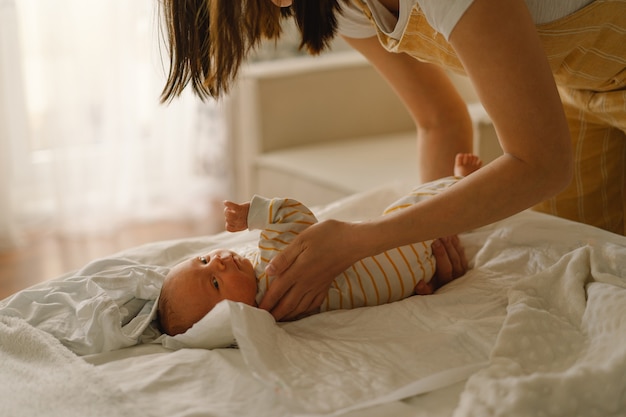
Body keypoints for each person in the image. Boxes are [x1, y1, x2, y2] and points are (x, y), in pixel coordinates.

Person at [158, 0, 626, 320]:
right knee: (596, 287)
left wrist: (364, 240)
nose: (280, 6)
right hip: (572, 87)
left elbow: (541, 164)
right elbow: (440, 120)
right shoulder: (348, 7)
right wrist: (434, 242)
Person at [158, 153, 483, 336]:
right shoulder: (271, 270)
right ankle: (463, 184)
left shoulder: (269, 307)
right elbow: (294, 217)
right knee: (416, 204)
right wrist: (253, 215)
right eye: (215, 282)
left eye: (203, 260)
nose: (217, 262)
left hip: (408, 274)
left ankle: (461, 185)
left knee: (419, 209)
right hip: (400, 254)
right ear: (230, 318)